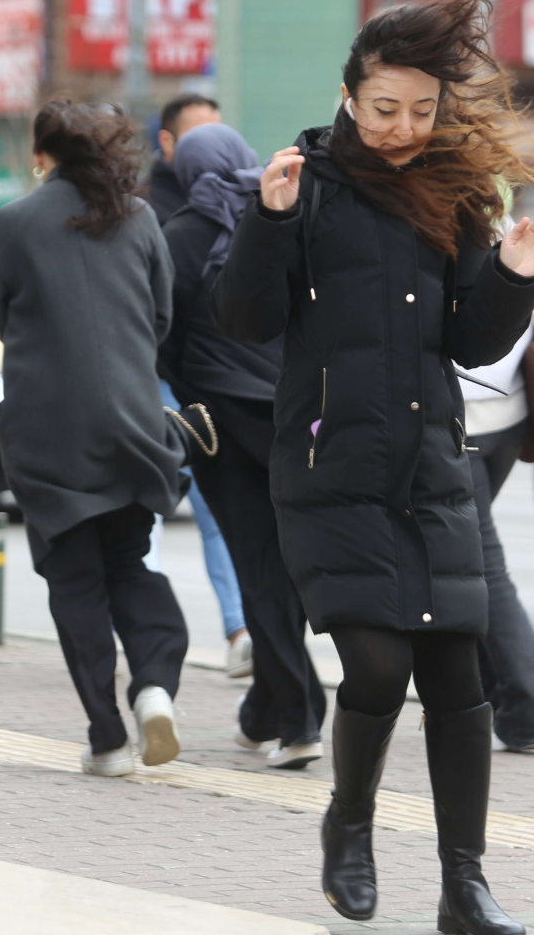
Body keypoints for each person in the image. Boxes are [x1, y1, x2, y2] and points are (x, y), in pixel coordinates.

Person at [215, 0, 534, 935]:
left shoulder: (452, 190)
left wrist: (515, 276)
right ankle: (350, 823)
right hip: (330, 467)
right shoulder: (304, 184)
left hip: (431, 469)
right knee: (375, 664)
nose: (404, 129)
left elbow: (472, 343)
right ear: (347, 97)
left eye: (420, 110)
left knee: (458, 675)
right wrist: (268, 221)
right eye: (383, 109)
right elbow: (244, 319)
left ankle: (465, 887)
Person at [0, 97, 196, 778]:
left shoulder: (14, 222)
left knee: (74, 580)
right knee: (130, 563)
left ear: (42, 155)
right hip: (133, 420)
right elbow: (160, 315)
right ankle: (154, 684)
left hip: (47, 428)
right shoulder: (139, 217)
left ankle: (107, 739)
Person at [159, 122, 327, 768]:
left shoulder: (180, 234)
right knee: (286, 566)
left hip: (222, 429)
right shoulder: (283, 215)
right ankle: (265, 710)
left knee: (258, 571)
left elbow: (164, 336)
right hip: (296, 417)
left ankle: (299, 719)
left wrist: (189, 391)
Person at [144, 93, 251, 677]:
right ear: (168, 144)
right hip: (160, 379)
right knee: (146, 501)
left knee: (217, 508)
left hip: (212, 387)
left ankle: (240, 631)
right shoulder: (147, 208)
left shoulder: (259, 204)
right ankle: (143, 629)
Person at [460, 314, 534, 752]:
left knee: (481, 565)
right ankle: (491, 697)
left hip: (463, 421)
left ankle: (530, 710)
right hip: (509, 410)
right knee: (462, 560)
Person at [145, 93, 221, 224]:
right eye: (199, 136)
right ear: (167, 141)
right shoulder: (141, 207)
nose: (212, 144)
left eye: (219, 135)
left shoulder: (229, 194)